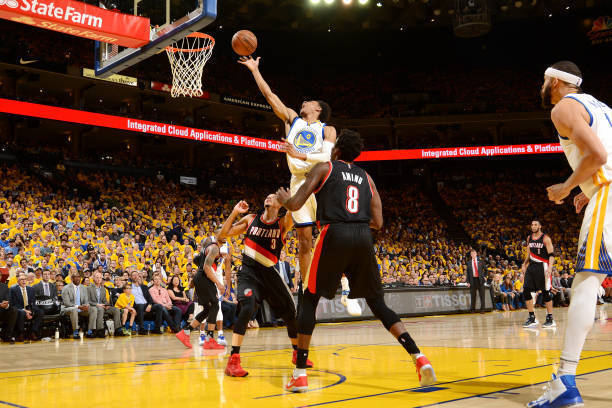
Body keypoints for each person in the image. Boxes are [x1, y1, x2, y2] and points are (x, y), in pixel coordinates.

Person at [276, 129, 436, 392]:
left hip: (334, 234)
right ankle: (419, 357)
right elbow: (379, 222)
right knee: (377, 303)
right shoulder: (367, 178)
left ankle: (300, 374)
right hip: (363, 237)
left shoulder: (324, 168)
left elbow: (295, 203)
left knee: (309, 298)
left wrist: (285, 199)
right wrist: (356, 225)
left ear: (336, 149)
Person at [528, 61, 612, 408]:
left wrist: (565, 187)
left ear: (558, 82)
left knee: (586, 282)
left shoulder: (563, 107)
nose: (542, 85)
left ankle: (565, 380)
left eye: (545, 79)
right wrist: (586, 187)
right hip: (603, 188)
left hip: (608, 193)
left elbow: (598, 154)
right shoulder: (600, 106)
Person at [239, 55, 337, 309]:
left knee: (333, 235)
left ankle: (343, 281)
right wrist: (254, 70)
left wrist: (299, 153)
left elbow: (326, 156)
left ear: (318, 110)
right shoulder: (292, 119)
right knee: (305, 238)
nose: (304, 101)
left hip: (323, 180)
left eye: (310, 101)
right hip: (299, 183)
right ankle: (307, 291)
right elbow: (270, 95)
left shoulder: (328, 129)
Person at [216, 194, 308, 377]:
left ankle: (297, 352)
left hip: (270, 272)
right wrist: (234, 212)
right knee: (247, 307)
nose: (269, 197)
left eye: (274, 197)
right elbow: (222, 235)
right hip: (249, 273)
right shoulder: (250, 219)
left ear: (280, 204)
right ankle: (233, 360)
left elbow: (294, 211)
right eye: (267, 196)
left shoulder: (282, 223)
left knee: (291, 312)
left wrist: (290, 200)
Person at [174, 237, 227, 350]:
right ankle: (210, 339)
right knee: (215, 305)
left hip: (200, 278)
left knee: (208, 309)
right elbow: (206, 269)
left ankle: (186, 332)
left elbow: (196, 260)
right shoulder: (213, 247)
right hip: (204, 278)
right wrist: (218, 283)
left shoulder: (202, 253)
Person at [521, 220, 556, 329]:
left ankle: (550, 318)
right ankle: (532, 318)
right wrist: (524, 263)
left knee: (546, 292)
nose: (533, 226)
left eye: (535, 224)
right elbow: (529, 253)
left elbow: (551, 255)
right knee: (526, 290)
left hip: (543, 266)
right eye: (532, 224)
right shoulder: (529, 238)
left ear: (540, 226)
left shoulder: (545, 238)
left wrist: (550, 267)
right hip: (531, 266)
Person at [87, 271, 124, 337]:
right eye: (97, 277)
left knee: (116, 310)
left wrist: (107, 305)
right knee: (100, 309)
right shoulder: (88, 288)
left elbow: (104, 300)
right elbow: (87, 301)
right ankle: (100, 330)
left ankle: (118, 329)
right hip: (93, 307)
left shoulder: (103, 289)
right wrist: (97, 304)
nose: (98, 279)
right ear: (93, 278)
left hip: (103, 306)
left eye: (100, 277)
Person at [61, 272, 96, 339]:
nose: (78, 278)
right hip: (68, 308)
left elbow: (86, 300)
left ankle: (90, 331)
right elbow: (66, 303)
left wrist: (86, 306)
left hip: (81, 309)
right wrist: (78, 306)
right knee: (74, 309)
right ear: (72, 278)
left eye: (79, 277)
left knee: (93, 309)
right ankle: (75, 331)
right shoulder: (66, 288)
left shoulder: (83, 288)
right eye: (75, 277)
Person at [10, 272, 43, 341]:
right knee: (22, 312)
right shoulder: (13, 289)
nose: (24, 281)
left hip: (29, 308)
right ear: (18, 281)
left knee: (40, 312)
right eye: (22, 279)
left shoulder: (31, 289)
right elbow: (13, 304)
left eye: (25, 279)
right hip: (19, 309)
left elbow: (33, 302)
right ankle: (21, 333)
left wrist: (30, 311)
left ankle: (33, 331)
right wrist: (25, 311)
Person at [466, 248, 487, 313]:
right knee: (473, 296)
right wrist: (468, 282)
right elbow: (468, 273)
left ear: (476, 254)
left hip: (480, 280)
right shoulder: (469, 263)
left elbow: (486, 270)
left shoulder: (481, 261)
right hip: (473, 280)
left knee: (482, 295)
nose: (473, 255)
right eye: (472, 254)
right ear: (471, 255)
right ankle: (472, 309)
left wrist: (485, 276)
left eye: (474, 253)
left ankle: (482, 309)